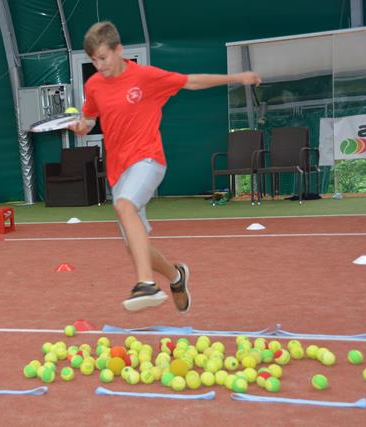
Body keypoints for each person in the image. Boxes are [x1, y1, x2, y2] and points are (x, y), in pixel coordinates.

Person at [68, 21, 261, 313]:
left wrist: (236, 77)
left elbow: (191, 81)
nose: (99, 65)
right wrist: (83, 126)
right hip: (118, 170)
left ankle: (145, 283)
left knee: (123, 206)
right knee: (136, 247)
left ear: (119, 50)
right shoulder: (93, 85)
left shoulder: (145, 77)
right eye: (94, 60)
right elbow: (91, 117)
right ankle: (176, 276)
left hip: (148, 159)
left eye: (103, 58)